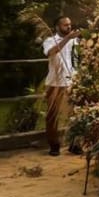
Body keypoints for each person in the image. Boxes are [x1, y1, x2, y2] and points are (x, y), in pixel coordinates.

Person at [42, 15, 80, 156]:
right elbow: (51, 52)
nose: (69, 27)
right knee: (52, 115)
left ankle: (74, 144)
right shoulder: (50, 40)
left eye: (69, 24)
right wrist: (67, 39)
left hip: (71, 81)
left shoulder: (74, 41)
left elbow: (76, 59)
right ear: (57, 27)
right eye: (65, 25)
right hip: (55, 83)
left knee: (75, 114)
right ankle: (54, 145)